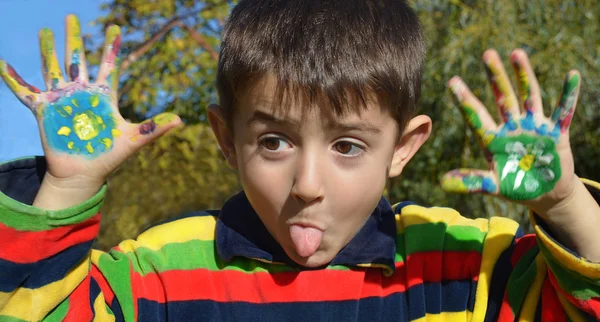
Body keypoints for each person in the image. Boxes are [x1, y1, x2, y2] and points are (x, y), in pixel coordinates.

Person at [0, 0, 599, 321]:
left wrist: (565, 203)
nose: (307, 184)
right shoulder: (159, 276)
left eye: (347, 146)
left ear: (404, 147)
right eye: (274, 142)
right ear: (227, 139)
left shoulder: (465, 266)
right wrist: (67, 186)